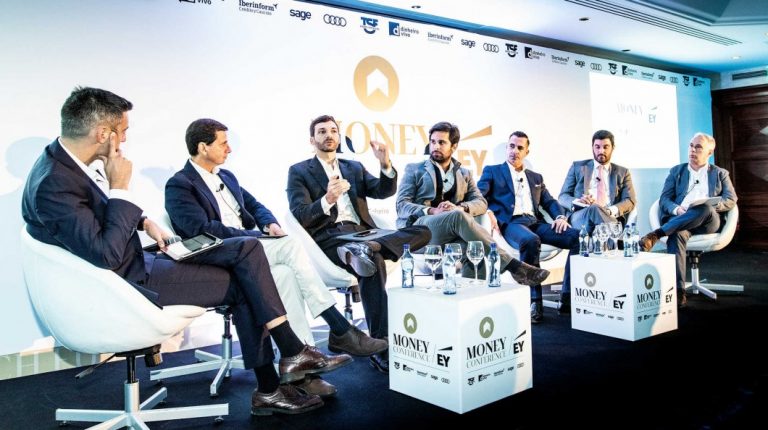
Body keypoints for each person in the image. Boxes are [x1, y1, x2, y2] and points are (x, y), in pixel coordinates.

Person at [21, 87, 351, 416]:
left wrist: (144, 220)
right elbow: (106, 254)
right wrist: (121, 188)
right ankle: (278, 374)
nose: (124, 140)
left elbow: (92, 213)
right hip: (127, 284)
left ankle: (284, 366)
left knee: (247, 251)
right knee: (245, 273)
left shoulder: (63, 162)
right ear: (102, 134)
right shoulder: (54, 184)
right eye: (122, 131)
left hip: (139, 263)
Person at [165, 118, 389, 397]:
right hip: (222, 255)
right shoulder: (179, 185)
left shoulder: (226, 176)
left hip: (250, 249)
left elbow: (255, 205)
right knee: (290, 246)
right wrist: (253, 236)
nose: (229, 149)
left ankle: (303, 368)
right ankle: (340, 328)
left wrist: (268, 223)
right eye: (223, 144)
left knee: (285, 274)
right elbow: (200, 230)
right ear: (203, 147)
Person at [286, 114, 431, 374]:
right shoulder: (299, 171)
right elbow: (300, 215)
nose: (329, 135)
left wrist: (385, 164)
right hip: (330, 237)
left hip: (365, 233)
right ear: (312, 140)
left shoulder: (353, 167)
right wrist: (328, 199)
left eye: (333, 130)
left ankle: (372, 247)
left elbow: (382, 191)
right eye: (322, 131)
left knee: (423, 230)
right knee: (371, 262)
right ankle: (381, 346)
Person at [395, 121, 549, 285]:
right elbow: (401, 205)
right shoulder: (415, 169)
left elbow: (481, 202)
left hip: (450, 235)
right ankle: (513, 266)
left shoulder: (464, 174)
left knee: (475, 247)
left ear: (454, 146)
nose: (435, 146)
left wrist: (460, 207)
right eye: (433, 142)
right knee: (457, 216)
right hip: (420, 231)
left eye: (441, 142)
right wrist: (433, 211)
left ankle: (473, 294)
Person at [478, 131, 580, 323]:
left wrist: (559, 216)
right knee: (530, 240)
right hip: (511, 224)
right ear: (507, 148)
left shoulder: (535, 177)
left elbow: (549, 201)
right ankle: (534, 301)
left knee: (577, 237)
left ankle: (567, 297)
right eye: (511, 146)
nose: (514, 151)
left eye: (519, 148)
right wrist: (489, 212)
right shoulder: (492, 171)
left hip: (535, 222)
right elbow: (478, 196)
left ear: (526, 152)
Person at [638, 133, 737, 307]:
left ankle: (656, 234)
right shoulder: (677, 171)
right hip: (681, 219)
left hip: (707, 221)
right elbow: (664, 199)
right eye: (691, 145)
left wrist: (712, 205)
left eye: (698, 147)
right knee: (676, 235)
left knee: (703, 207)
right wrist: (677, 209)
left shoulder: (720, 173)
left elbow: (731, 199)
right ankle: (678, 292)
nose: (692, 150)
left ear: (709, 153)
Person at [558, 130, 636, 233]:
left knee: (597, 211)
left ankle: (608, 237)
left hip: (610, 216)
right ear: (592, 147)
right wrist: (578, 202)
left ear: (613, 148)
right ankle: (614, 239)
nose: (601, 151)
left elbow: (630, 200)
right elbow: (563, 196)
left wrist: (608, 211)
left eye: (605, 147)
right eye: (597, 147)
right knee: (594, 209)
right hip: (581, 216)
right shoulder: (577, 167)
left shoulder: (623, 172)